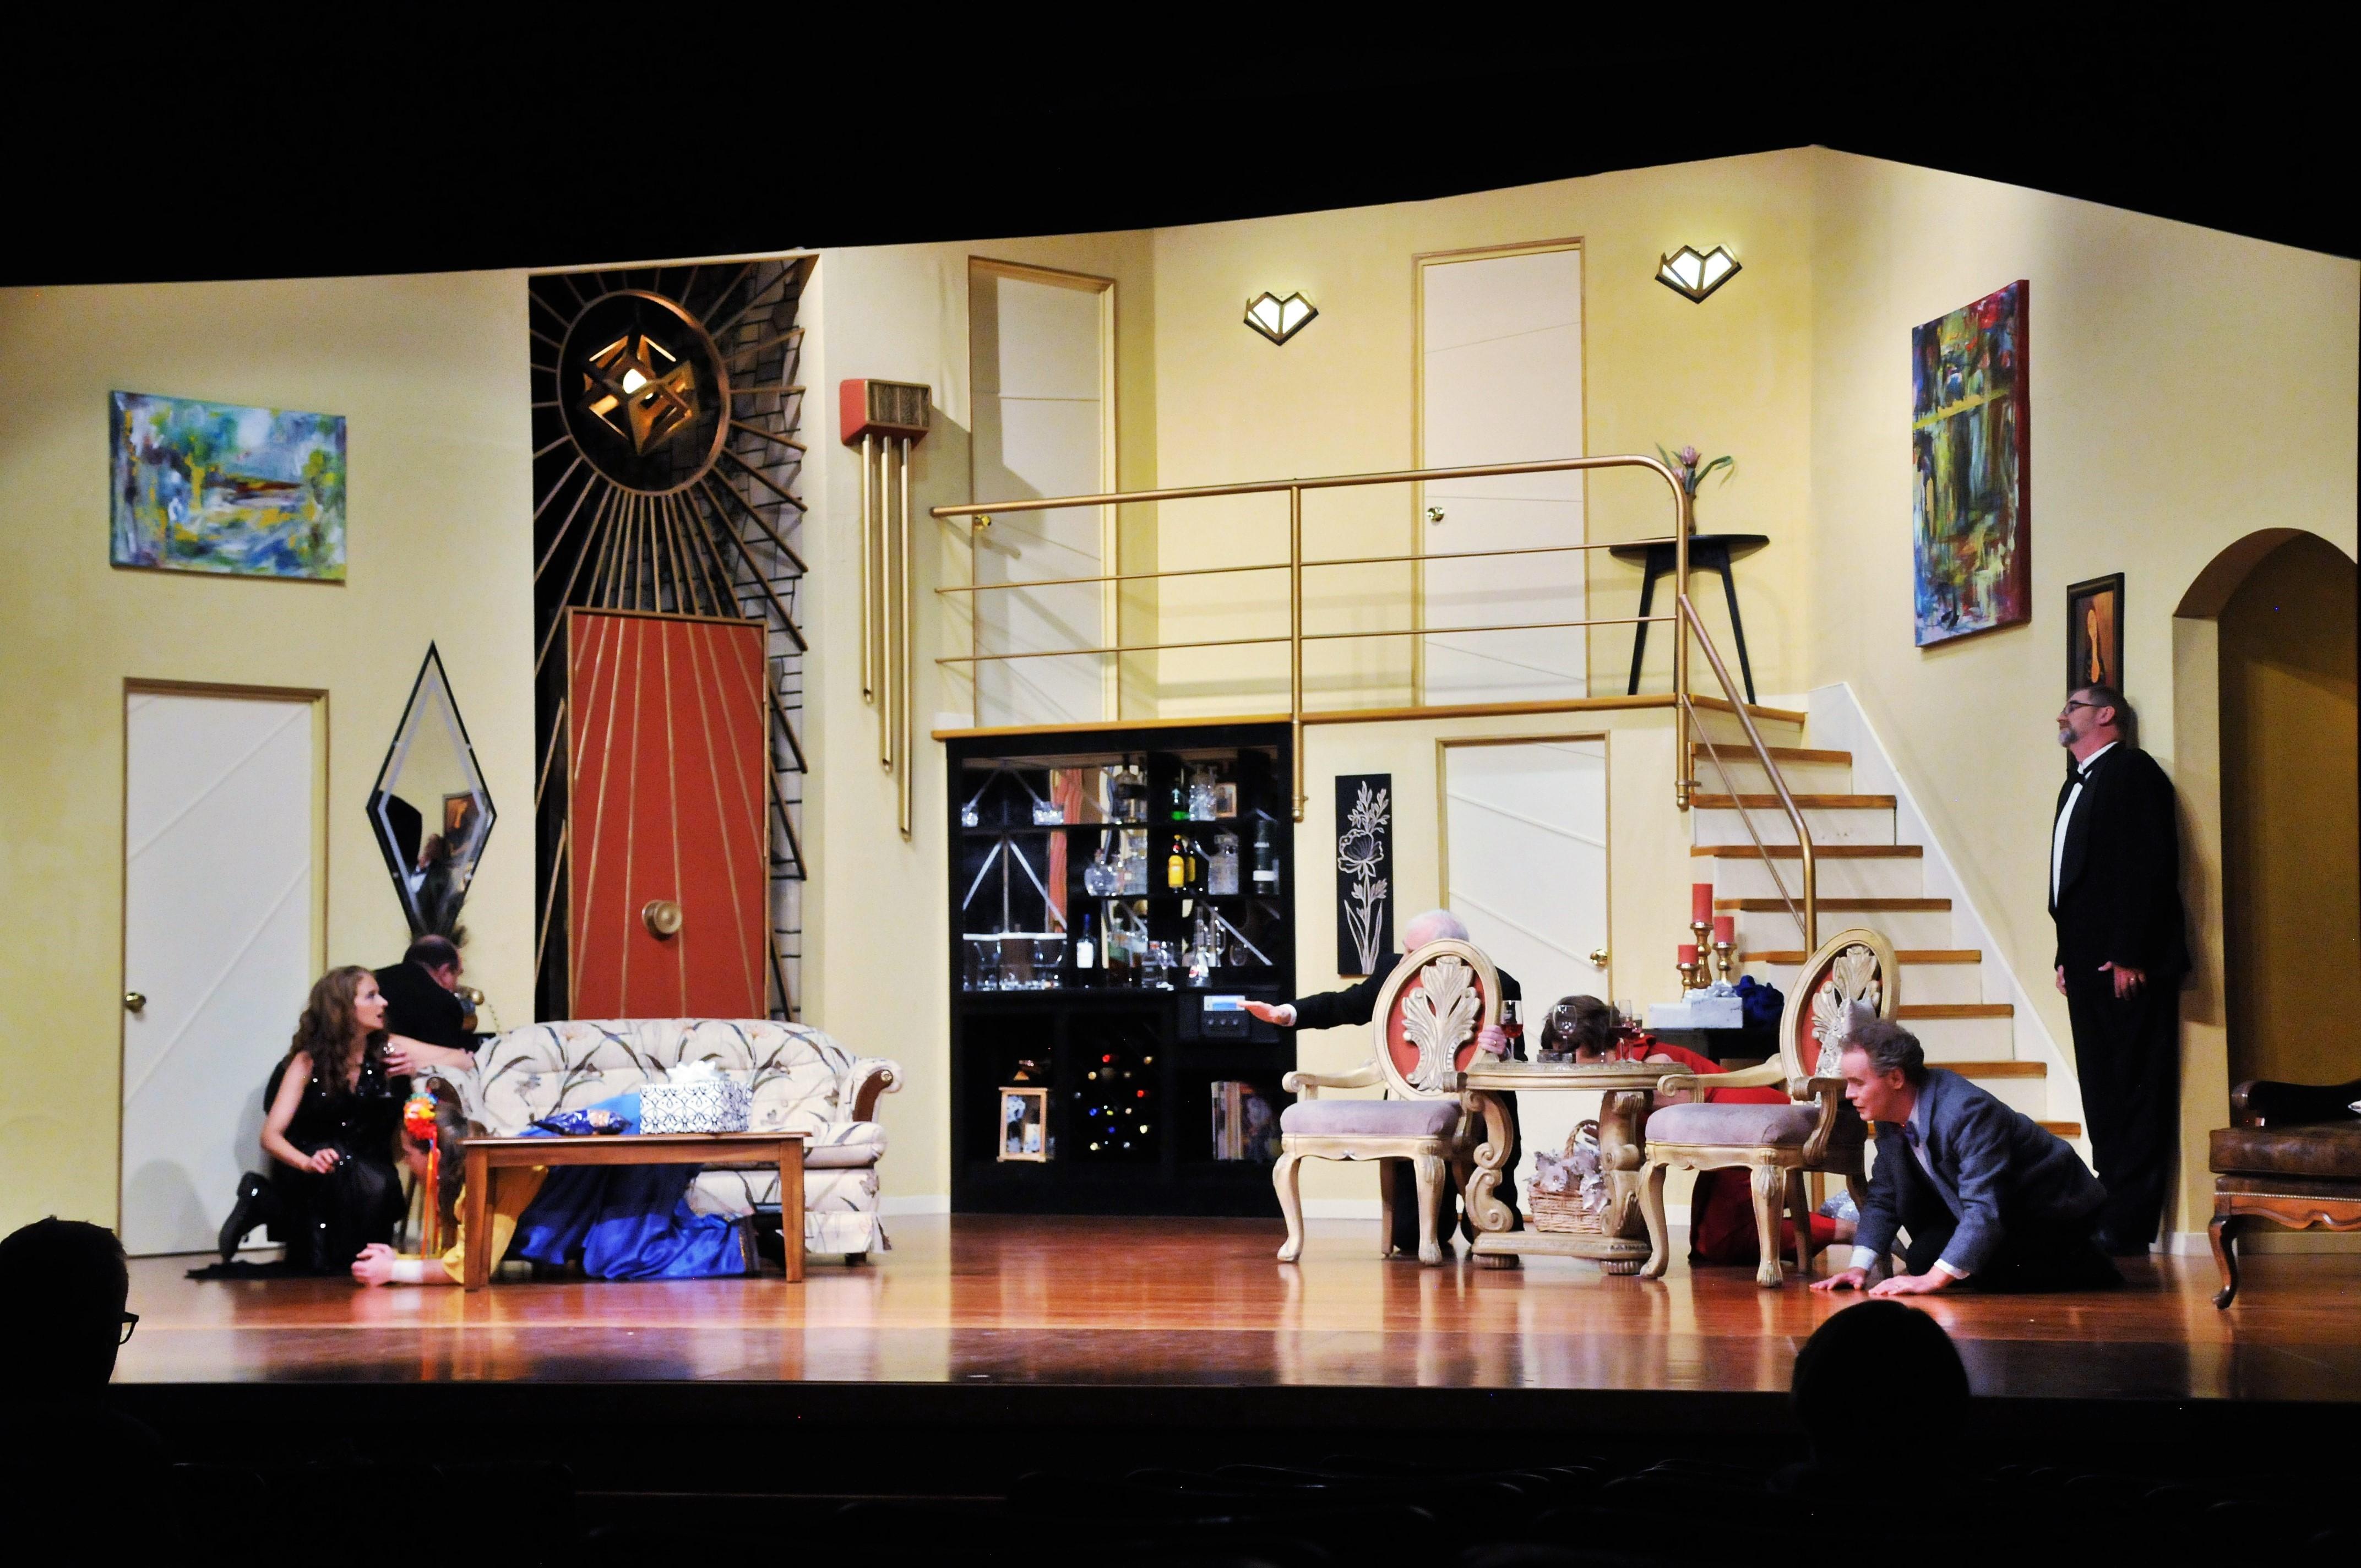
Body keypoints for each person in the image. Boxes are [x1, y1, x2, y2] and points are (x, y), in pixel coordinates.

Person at [1243, 909, 1521, 1250]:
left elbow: (1517, 1059)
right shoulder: (1395, 970)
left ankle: (1473, 1212)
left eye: (1413, 952)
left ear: (1447, 951)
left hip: (1480, 1116)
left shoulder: (1500, 984)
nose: (1404, 959)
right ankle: (1440, 1214)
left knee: (1497, 1238)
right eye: (1405, 949)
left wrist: (1503, 1050)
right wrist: (1285, 1014)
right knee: (1409, 1237)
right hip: (1414, 1112)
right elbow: (1345, 1005)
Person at [1813, 1019, 2119, 1295]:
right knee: (1922, 1258)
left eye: (1858, 1082)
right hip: (2002, 1208)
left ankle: (2089, 1262)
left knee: (1981, 1273)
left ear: (1896, 1078)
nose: (1849, 1094)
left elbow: (1985, 1205)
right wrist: (1858, 1268)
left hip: (2055, 1209)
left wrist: (1932, 1281)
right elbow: (1884, 1196)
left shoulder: (1966, 1111)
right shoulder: (1889, 1116)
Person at [351, 1090, 758, 1286]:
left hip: (650, 1126)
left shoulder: (490, 1174)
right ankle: (743, 1230)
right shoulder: (472, 1179)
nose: (407, 1166)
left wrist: (395, 1270)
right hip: (641, 1127)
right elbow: (462, 1250)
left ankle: (742, 1242)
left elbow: (471, 1266)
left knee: (615, 1258)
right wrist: (400, 1258)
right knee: (608, 1251)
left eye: (409, 1155)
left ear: (434, 1153)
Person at [2050, 683, 2189, 1255]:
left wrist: (2131, 952)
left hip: (2124, 961)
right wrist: (2065, 953)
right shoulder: (2076, 782)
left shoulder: (2132, 771)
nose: (2061, 715)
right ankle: (2109, 1207)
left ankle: (2131, 1222)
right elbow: (2074, 880)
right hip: (2086, 960)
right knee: (2102, 1090)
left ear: (2106, 715)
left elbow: (2146, 864)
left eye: (2072, 707)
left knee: (2135, 1088)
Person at [1552, 996, 1842, 1263]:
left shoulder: (1653, 1062)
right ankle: (1831, 1223)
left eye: (1566, 1052)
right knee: (1705, 1244)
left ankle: (1845, 1228)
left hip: (1749, 1127)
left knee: (1720, 1243)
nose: (1563, 1061)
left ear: (1589, 1042)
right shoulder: (1630, 1062)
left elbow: (1681, 1115)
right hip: (1730, 1130)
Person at [254, 966, 411, 1273]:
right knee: (349, 1169)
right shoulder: (308, 1062)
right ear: (343, 1008)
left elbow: (457, 1059)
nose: (384, 1003)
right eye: (371, 996)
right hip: (315, 1168)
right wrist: (307, 1162)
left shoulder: (388, 1055)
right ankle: (263, 1199)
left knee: (373, 1181)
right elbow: (270, 1136)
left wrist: (411, 1071)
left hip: (371, 1170)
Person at [374, 933, 480, 1072]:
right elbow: (443, 1073)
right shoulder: (444, 1003)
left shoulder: (374, 981)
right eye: (457, 975)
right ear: (445, 972)